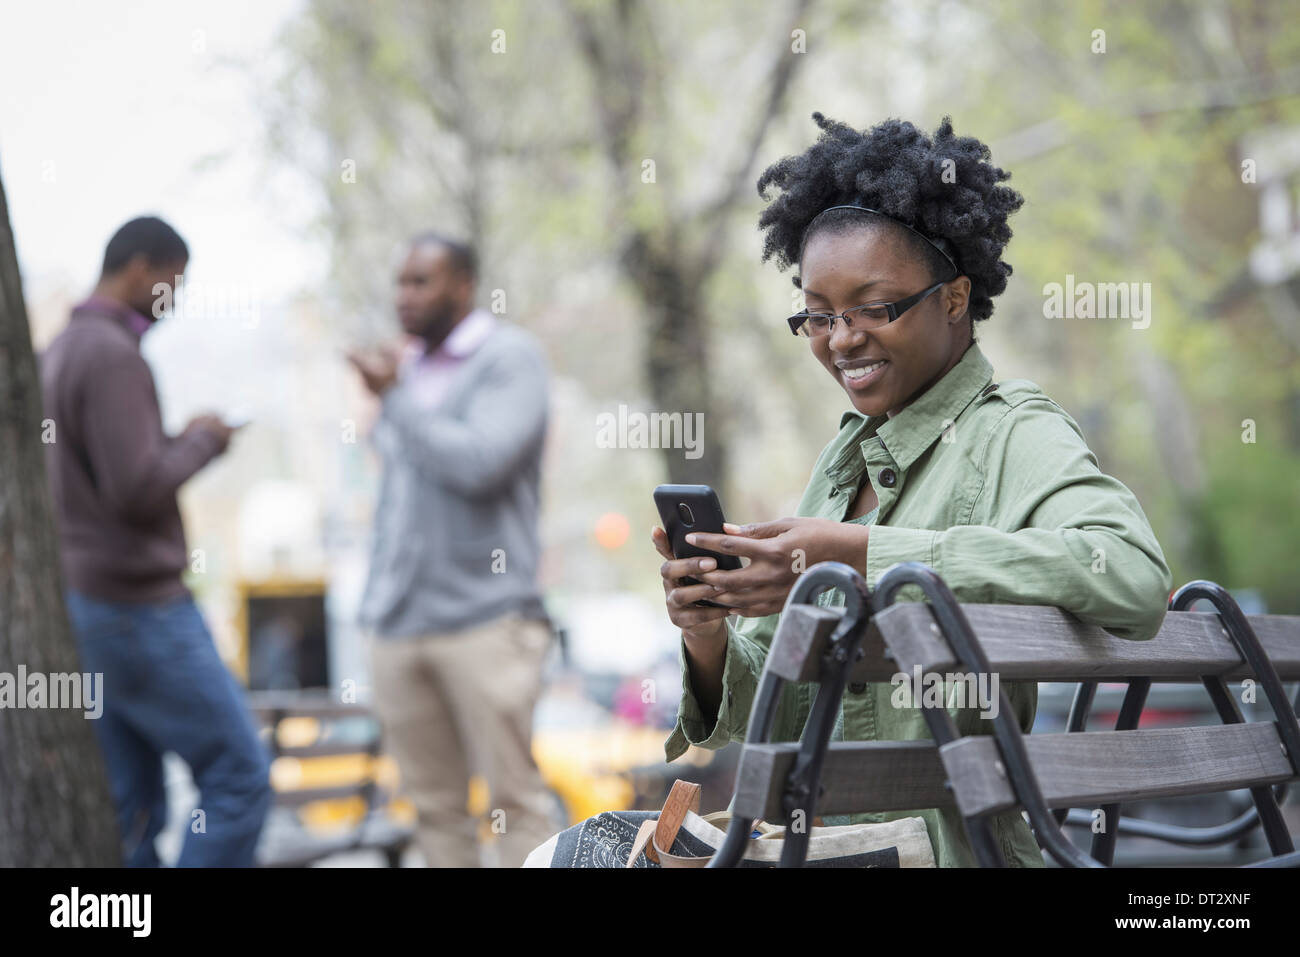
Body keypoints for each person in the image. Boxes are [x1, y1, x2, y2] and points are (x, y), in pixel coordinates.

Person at [652, 114, 1174, 868]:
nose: (841, 338)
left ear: (955, 298)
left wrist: (865, 555)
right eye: (820, 314)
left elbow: (1131, 576)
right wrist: (706, 628)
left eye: (875, 307)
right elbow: (776, 702)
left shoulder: (1013, 431)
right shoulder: (845, 460)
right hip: (835, 845)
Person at [40, 215, 272, 866]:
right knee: (240, 775)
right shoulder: (112, 353)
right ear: (141, 268)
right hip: (140, 607)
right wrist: (207, 440)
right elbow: (136, 490)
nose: (177, 298)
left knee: (134, 804)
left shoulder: (60, 349)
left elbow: (108, 477)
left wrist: (176, 440)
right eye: (176, 282)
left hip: (91, 605)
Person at [349, 232, 555, 868]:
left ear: (462, 285)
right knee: (434, 811)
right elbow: (398, 499)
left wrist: (394, 399)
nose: (404, 297)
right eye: (400, 282)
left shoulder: (509, 359)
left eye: (422, 282)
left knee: (514, 802)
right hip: (399, 624)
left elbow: (481, 464)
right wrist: (374, 600)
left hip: (487, 619)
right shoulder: (406, 372)